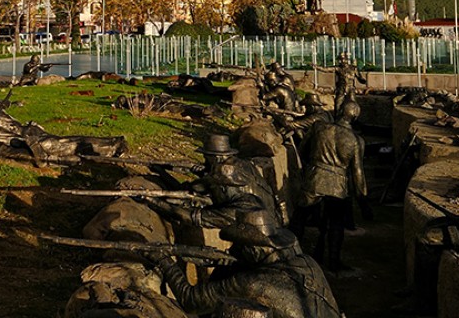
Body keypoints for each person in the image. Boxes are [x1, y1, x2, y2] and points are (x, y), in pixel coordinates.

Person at [145, 209, 341, 318]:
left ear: (253, 249)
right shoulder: (308, 263)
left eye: (237, 246)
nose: (231, 251)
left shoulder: (252, 283)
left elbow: (190, 300)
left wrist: (162, 259)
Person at [143, 134, 280, 231]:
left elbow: (192, 192)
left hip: (255, 229)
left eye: (206, 156)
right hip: (271, 220)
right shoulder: (242, 165)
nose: (204, 159)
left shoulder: (223, 178)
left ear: (216, 157)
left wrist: (154, 201)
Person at [300, 99, 370, 271]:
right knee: (336, 223)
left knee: (300, 217)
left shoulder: (319, 127)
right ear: (355, 117)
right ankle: (333, 261)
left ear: (339, 111)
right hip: (338, 184)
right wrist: (363, 202)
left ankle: (293, 255)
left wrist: (313, 165)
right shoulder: (356, 141)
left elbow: (303, 149)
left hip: (315, 177)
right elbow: (358, 174)